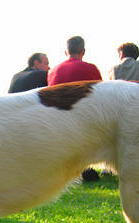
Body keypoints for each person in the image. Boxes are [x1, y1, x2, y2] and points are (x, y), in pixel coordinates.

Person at [48, 36, 102, 181]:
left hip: (58, 118)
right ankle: (85, 168)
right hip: (84, 117)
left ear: (66, 51)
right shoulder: (91, 69)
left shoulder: (53, 71)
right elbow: (101, 95)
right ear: (83, 51)